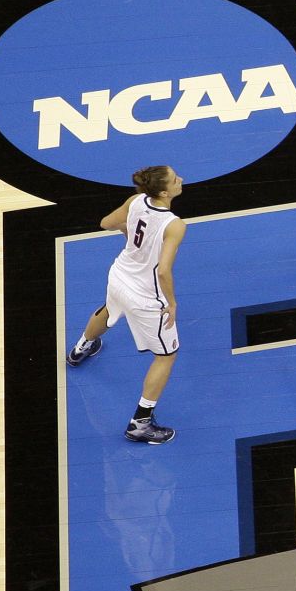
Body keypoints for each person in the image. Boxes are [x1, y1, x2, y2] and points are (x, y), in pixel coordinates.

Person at [66, 166, 186, 445]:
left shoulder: (135, 201)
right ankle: (140, 423)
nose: (181, 179)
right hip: (145, 296)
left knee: (108, 310)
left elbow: (106, 223)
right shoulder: (175, 225)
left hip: (119, 275)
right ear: (165, 192)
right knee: (166, 355)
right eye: (175, 178)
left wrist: (131, 235)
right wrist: (172, 303)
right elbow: (164, 271)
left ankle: (80, 349)